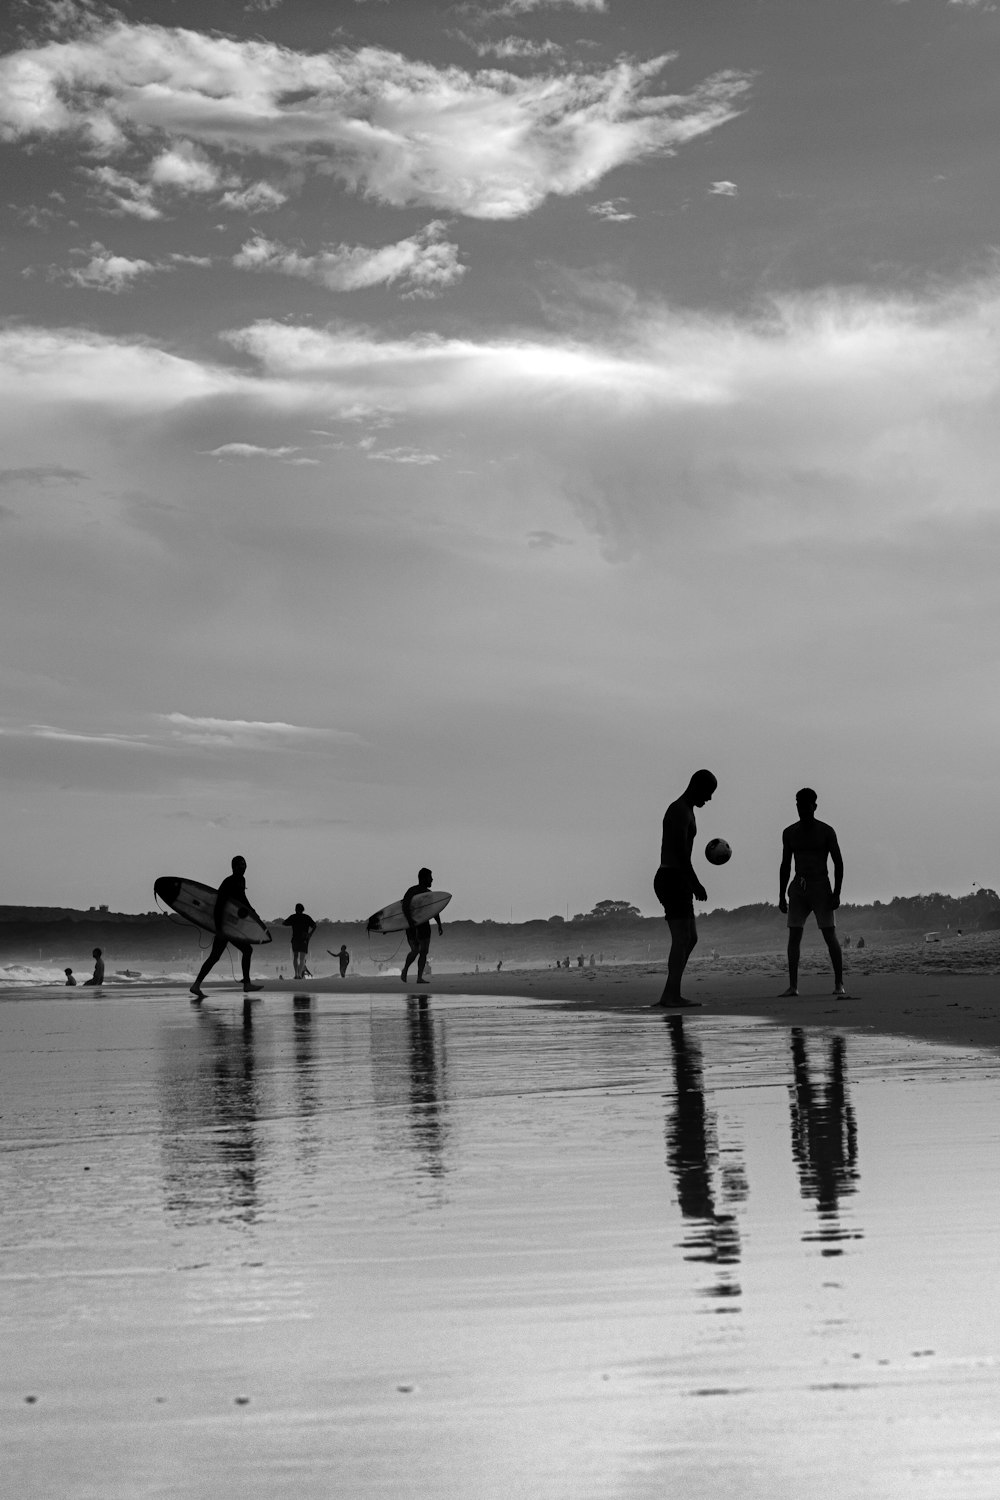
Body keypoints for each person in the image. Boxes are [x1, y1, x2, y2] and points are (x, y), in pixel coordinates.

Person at [653, 769, 718, 1008]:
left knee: (690, 938)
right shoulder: (679, 810)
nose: (709, 799)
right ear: (696, 786)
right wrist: (694, 883)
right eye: (708, 793)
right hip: (671, 877)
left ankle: (671, 992)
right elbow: (680, 853)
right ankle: (670, 995)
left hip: (678, 877)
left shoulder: (688, 810)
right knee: (681, 938)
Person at [778, 788, 846, 998]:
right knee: (794, 935)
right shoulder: (790, 833)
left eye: (806, 806)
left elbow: (838, 863)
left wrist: (836, 893)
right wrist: (781, 895)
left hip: (820, 885)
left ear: (814, 807)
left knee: (829, 934)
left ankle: (839, 983)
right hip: (799, 885)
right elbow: (785, 865)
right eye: (798, 805)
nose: (802, 810)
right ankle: (793, 986)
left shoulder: (826, 831)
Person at [190, 856, 261, 999]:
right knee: (245, 950)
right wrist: (219, 928)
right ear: (234, 867)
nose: (244, 866)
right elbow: (219, 904)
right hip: (224, 926)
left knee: (217, 956)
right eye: (241, 864)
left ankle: (196, 985)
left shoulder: (241, 880)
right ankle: (246, 984)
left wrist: (253, 913)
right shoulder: (229, 882)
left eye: (245, 864)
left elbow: (242, 899)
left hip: (231, 926)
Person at [400, 867, 443, 985]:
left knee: (424, 952)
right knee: (415, 950)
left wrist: (439, 924)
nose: (432, 879)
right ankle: (405, 970)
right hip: (412, 925)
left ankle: (419, 977)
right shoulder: (412, 891)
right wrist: (410, 922)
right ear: (424, 878)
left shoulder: (429, 894)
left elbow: (434, 910)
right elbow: (405, 906)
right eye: (430, 877)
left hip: (424, 925)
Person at [282, 902, 316, 980]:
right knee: (302, 958)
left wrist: (292, 923)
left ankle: (296, 974)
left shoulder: (293, 917)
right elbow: (314, 926)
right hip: (304, 938)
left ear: (295, 909)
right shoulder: (306, 917)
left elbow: (284, 923)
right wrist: (310, 934)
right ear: (303, 910)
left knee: (295, 957)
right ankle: (300, 975)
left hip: (295, 938)